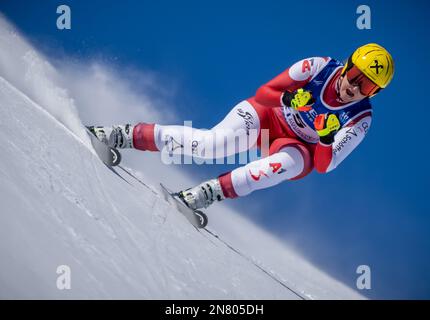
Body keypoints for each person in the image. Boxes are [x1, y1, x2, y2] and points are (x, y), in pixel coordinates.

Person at [92, 43, 394, 211]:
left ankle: (208, 193)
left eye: (367, 86)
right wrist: (289, 99)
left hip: (297, 147)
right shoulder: (317, 67)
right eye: (355, 74)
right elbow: (265, 93)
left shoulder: (359, 118)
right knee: (212, 146)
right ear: (346, 65)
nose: (354, 87)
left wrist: (327, 137)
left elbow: (324, 166)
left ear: (374, 94)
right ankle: (123, 135)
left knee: (281, 166)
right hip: (269, 115)